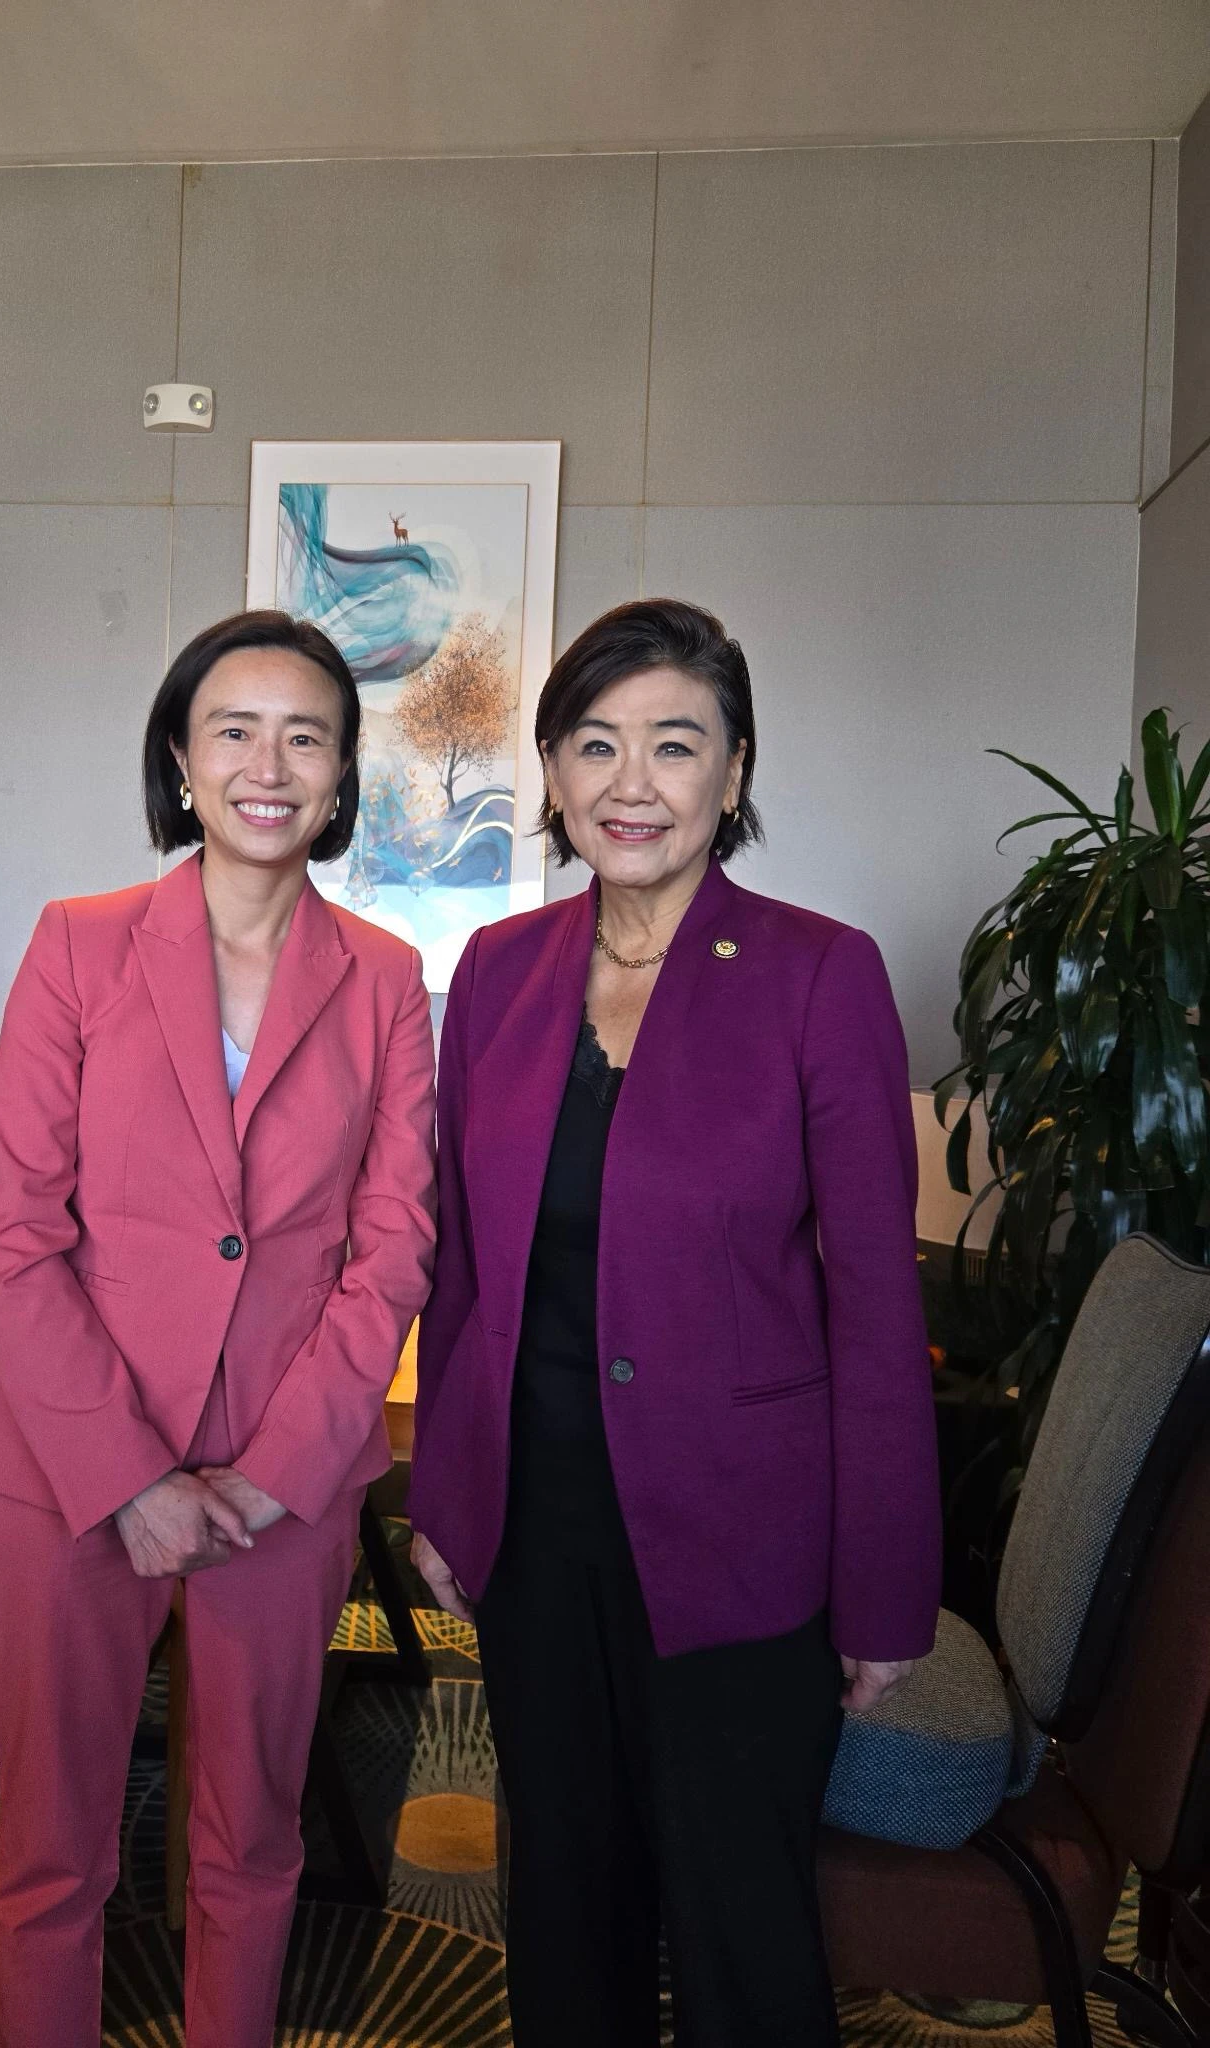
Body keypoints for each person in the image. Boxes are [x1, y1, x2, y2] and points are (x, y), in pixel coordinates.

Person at [408, 598, 941, 2048]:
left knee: (739, 1942)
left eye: (674, 745)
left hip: (743, 1540)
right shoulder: (501, 977)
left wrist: (886, 1586)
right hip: (536, 1532)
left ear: (736, 770)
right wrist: (446, 1495)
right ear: (555, 773)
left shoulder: (820, 975)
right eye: (596, 745)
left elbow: (876, 1305)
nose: (631, 784)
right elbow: (463, 1275)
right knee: (565, 1916)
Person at [0, 610, 437, 2048]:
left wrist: (281, 1464)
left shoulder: (385, 976)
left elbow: (394, 1244)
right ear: (180, 757)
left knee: (252, 1841)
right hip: (70, 1476)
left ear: (346, 777)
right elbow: (17, 1234)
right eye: (234, 729)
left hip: (277, 1489)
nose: (269, 764)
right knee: (54, 1850)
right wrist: (127, 1479)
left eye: (308, 736)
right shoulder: (78, 944)